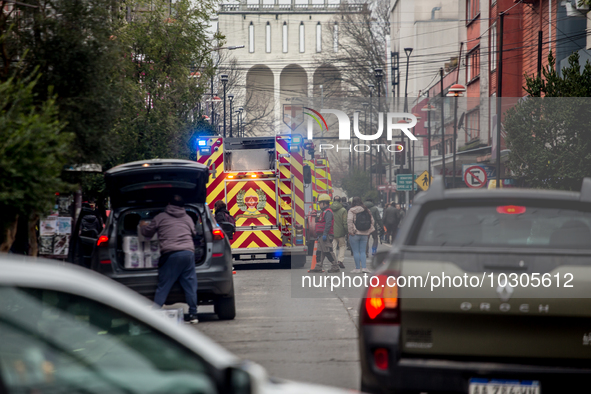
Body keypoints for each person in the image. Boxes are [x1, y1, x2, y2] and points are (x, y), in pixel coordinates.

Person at [140, 195, 198, 324]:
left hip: (171, 255)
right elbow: (194, 233)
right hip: (188, 254)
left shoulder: (160, 217)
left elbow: (147, 233)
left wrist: (142, 226)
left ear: (168, 204)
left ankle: (155, 313)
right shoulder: (187, 218)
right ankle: (193, 315)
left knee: (164, 285)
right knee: (190, 285)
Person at [309, 194, 340, 273]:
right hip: (321, 235)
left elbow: (328, 223)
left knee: (327, 251)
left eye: (320, 203)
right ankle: (318, 266)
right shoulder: (323, 212)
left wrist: (325, 234)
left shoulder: (328, 212)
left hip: (326, 234)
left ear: (324, 203)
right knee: (319, 251)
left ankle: (335, 266)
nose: (319, 205)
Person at [347, 197, 374, 273]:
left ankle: (357, 268)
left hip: (355, 233)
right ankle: (364, 268)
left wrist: (351, 231)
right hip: (365, 233)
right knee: (363, 251)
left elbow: (349, 221)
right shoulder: (367, 210)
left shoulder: (351, 210)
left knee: (356, 251)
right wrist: (369, 231)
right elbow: (372, 221)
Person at [330, 196, 348, 269]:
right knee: (342, 246)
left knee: (333, 247)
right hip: (341, 233)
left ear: (333, 200)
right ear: (340, 201)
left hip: (332, 231)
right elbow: (345, 222)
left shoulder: (330, 209)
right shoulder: (343, 210)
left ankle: (334, 261)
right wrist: (346, 231)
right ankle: (340, 260)